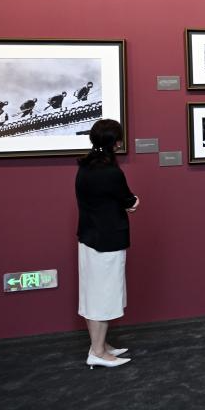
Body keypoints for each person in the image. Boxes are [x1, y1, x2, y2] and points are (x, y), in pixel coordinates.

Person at [75, 119, 139, 369]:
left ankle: (98, 345)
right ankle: (99, 353)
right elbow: (129, 201)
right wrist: (134, 202)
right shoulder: (111, 172)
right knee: (104, 296)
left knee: (92, 294)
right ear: (116, 143)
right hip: (107, 241)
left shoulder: (84, 167)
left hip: (89, 238)